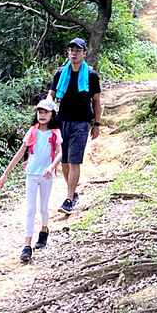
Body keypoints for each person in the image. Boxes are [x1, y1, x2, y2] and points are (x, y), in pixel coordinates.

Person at [0, 97, 63, 262]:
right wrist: (5, 173)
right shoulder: (32, 131)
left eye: (45, 112)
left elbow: (61, 153)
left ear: (52, 115)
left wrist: (51, 166)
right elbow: (20, 153)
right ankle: (27, 245)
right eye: (40, 112)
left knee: (43, 208)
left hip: (46, 175)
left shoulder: (55, 133)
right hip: (32, 174)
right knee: (30, 209)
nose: (42, 115)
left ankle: (44, 230)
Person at [47, 38, 101, 214]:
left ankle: (69, 199)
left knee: (74, 160)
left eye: (78, 50)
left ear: (84, 53)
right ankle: (73, 192)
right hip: (62, 122)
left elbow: (96, 100)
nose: (74, 53)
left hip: (81, 122)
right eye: (71, 50)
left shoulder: (91, 75)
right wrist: (45, 115)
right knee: (64, 163)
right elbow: (51, 96)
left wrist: (97, 124)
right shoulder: (61, 73)